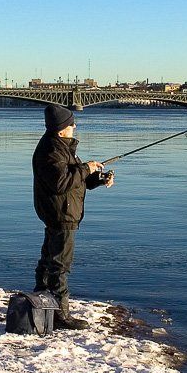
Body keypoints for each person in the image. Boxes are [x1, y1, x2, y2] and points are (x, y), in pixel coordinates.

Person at [32, 104, 114, 330]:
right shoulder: (51, 151)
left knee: (50, 258)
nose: (74, 126)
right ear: (61, 130)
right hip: (61, 213)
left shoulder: (61, 147)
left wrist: (97, 178)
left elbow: (74, 179)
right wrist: (85, 169)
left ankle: (41, 299)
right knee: (60, 264)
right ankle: (61, 315)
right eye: (71, 124)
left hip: (62, 211)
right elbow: (60, 184)